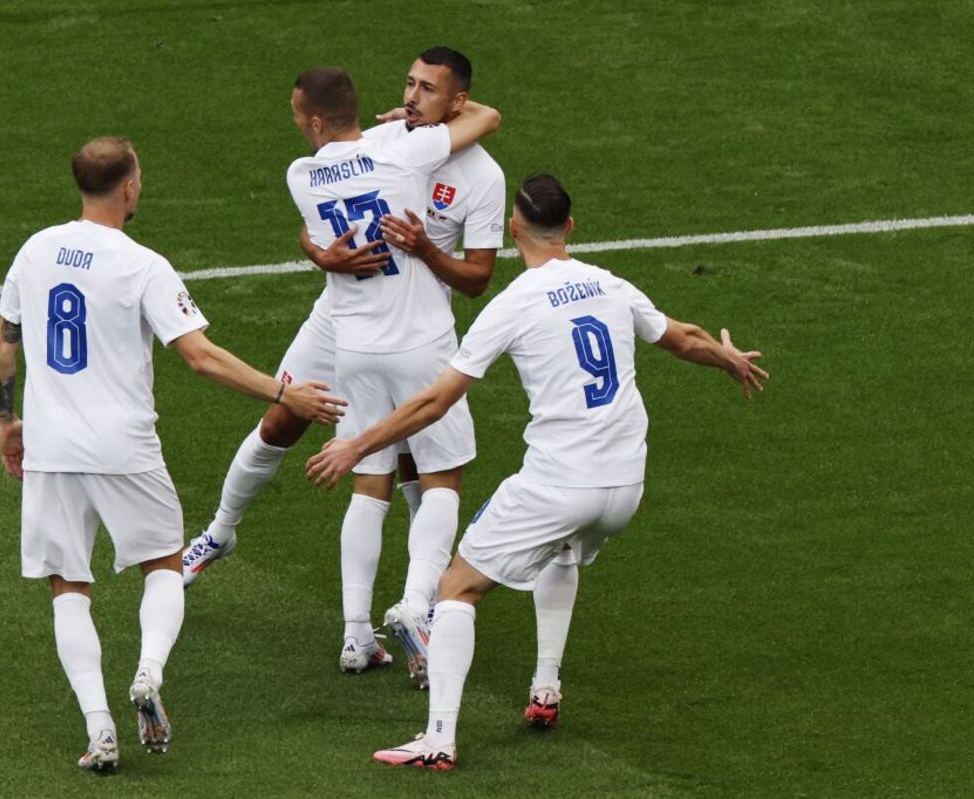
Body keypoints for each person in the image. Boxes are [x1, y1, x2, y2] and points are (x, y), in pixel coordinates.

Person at [306, 174, 768, 769]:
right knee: (563, 551)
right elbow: (683, 338)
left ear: (512, 229)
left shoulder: (513, 304)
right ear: (570, 228)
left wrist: (357, 444)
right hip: (626, 486)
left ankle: (438, 739)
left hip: (560, 484)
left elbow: (433, 402)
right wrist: (726, 357)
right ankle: (545, 687)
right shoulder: (608, 283)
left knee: (456, 588)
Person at [0, 136, 345, 770]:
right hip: (124, 445)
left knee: (68, 587)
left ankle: (99, 728)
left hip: (51, 447)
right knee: (162, 564)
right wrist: (286, 392)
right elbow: (201, 357)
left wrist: (5, 421)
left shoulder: (34, 250)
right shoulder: (142, 264)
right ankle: (148, 673)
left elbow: (2, 351)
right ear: (128, 187)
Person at [181, 50, 504, 687]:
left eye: (427, 89)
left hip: (383, 328)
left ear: (455, 102)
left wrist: (417, 249)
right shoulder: (396, 144)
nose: (411, 96)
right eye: (407, 84)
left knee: (393, 465)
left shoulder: (474, 175)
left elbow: (477, 277)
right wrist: (322, 257)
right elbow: (321, 222)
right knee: (285, 422)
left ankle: (388, 619)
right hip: (349, 319)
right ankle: (221, 534)